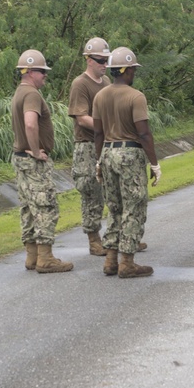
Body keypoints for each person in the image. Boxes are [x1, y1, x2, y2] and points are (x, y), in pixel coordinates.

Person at [92, 46, 160, 278]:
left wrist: (98, 160)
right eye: (133, 69)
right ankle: (127, 262)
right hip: (130, 155)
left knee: (114, 207)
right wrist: (154, 163)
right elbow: (143, 133)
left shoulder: (100, 96)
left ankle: (110, 260)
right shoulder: (135, 96)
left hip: (108, 153)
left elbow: (98, 133)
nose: (134, 73)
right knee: (134, 207)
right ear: (127, 70)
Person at [10, 49, 73, 273]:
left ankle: (32, 256)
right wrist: (37, 151)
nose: (45, 75)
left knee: (28, 207)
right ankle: (45, 258)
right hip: (33, 161)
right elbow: (30, 123)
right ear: (30, 72)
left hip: (19, 159)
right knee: (45, 206)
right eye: (42, 71)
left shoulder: (19, 92)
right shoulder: (32, 94)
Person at [68, 37, 112, 256]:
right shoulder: (80, 84)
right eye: (100, 60)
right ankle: (94, 238)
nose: (104, 64)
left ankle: (116, 236)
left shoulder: (107, 83)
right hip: (87, 146)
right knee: (91, 191)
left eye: (106, 60)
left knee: (112, 190)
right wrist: (106, 126)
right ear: (89, 60)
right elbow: (81, 118)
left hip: (107, 144)